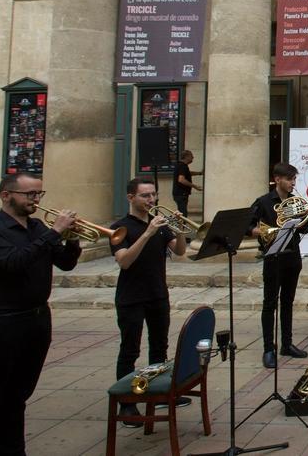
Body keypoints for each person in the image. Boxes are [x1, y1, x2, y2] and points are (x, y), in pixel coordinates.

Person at [0, 173, 81, 456]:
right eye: (30, 195)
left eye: (39, 194)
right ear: (6, 195)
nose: (36, 200)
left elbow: (65, 264)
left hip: (36, 321)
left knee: (17, 398)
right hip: (0, 324)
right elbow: (14, 262)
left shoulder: (37, 227)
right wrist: (54, 233)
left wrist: (72, 240)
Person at [110, 177, 189, 426]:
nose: (151, 200)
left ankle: (158, 394)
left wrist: (178, 228)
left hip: (157, 293)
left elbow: (180, 251)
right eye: (145, 195)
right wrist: (147, 233)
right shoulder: (120, 228)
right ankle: (127, 405)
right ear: (131, 197)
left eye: (153, 195)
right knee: (129, 350)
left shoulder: (161, 226)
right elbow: (124, 261)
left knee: (159, 348)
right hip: (131, 297)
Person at [249, 162, 308, 368]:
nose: (293, 183)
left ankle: (287, 343)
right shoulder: (264, 202)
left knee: (288, 301)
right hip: (273, 257)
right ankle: (269, 348)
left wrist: (307, 216)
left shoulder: (296, 201)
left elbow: (304, 230)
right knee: (270, 303)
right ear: (277, 179)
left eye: (294, 179)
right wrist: (264, 232)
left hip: (292, 256)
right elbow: (247, 225)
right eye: (289, 179)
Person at [173, 150, 203, 215]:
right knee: (183, 214)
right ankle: (182, 225)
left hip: (179, 194)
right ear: (186, 157)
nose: (193, 157)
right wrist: (195, 186)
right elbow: (181, 179)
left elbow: (188, 174)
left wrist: (200, 173)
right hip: (181, 194)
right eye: (191, 156)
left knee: (181, 212)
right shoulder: (183, 166)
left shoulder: (180, 165)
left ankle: (181, 224)